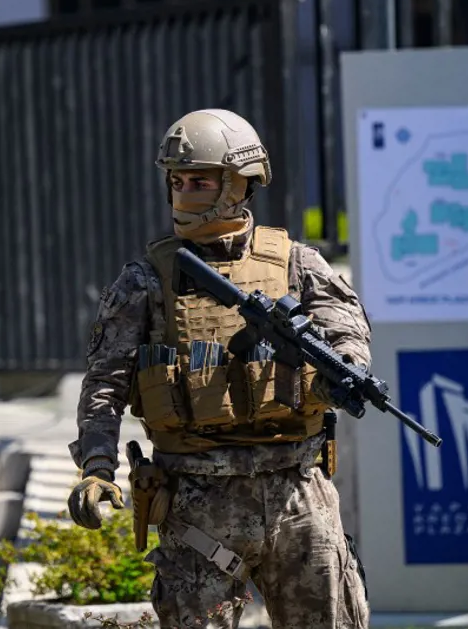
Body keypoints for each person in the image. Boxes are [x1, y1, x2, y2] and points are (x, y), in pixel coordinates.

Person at [67, 109, 371, 627]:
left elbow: (346, 333)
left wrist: (339, 371)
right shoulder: (147, 280)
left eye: (200, 181)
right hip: (196, 498)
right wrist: (97, 468)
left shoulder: (297, 264)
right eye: (177, 181)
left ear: (239, 184)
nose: (184, 193)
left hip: (297, 490)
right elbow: (105, 384)